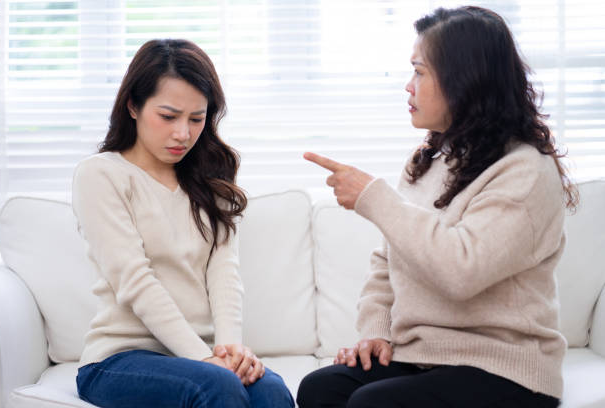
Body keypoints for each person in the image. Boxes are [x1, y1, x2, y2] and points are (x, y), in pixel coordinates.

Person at [297, 6, 578, 408]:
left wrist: (374, 197)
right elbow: (387, 260)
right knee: (320, 389)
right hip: (425, 357)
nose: (408, 87)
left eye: (419, 71)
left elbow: (462, 270)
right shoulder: (427, 160)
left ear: (462, 80)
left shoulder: (526, 170)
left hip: (506, 369)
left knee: (372, 404)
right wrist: (376, 331)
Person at [72, 39, 294, 408]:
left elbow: (225, 275)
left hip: (202, 357)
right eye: (169, 116)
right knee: (216, 387)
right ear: (133, 105)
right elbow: (134, 279)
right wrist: (207, 361)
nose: (183, 134)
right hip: (120, 359)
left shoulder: (210, 181)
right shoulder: (101, 175)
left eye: (197, 118)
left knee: (271, 390)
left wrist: (229, 352)